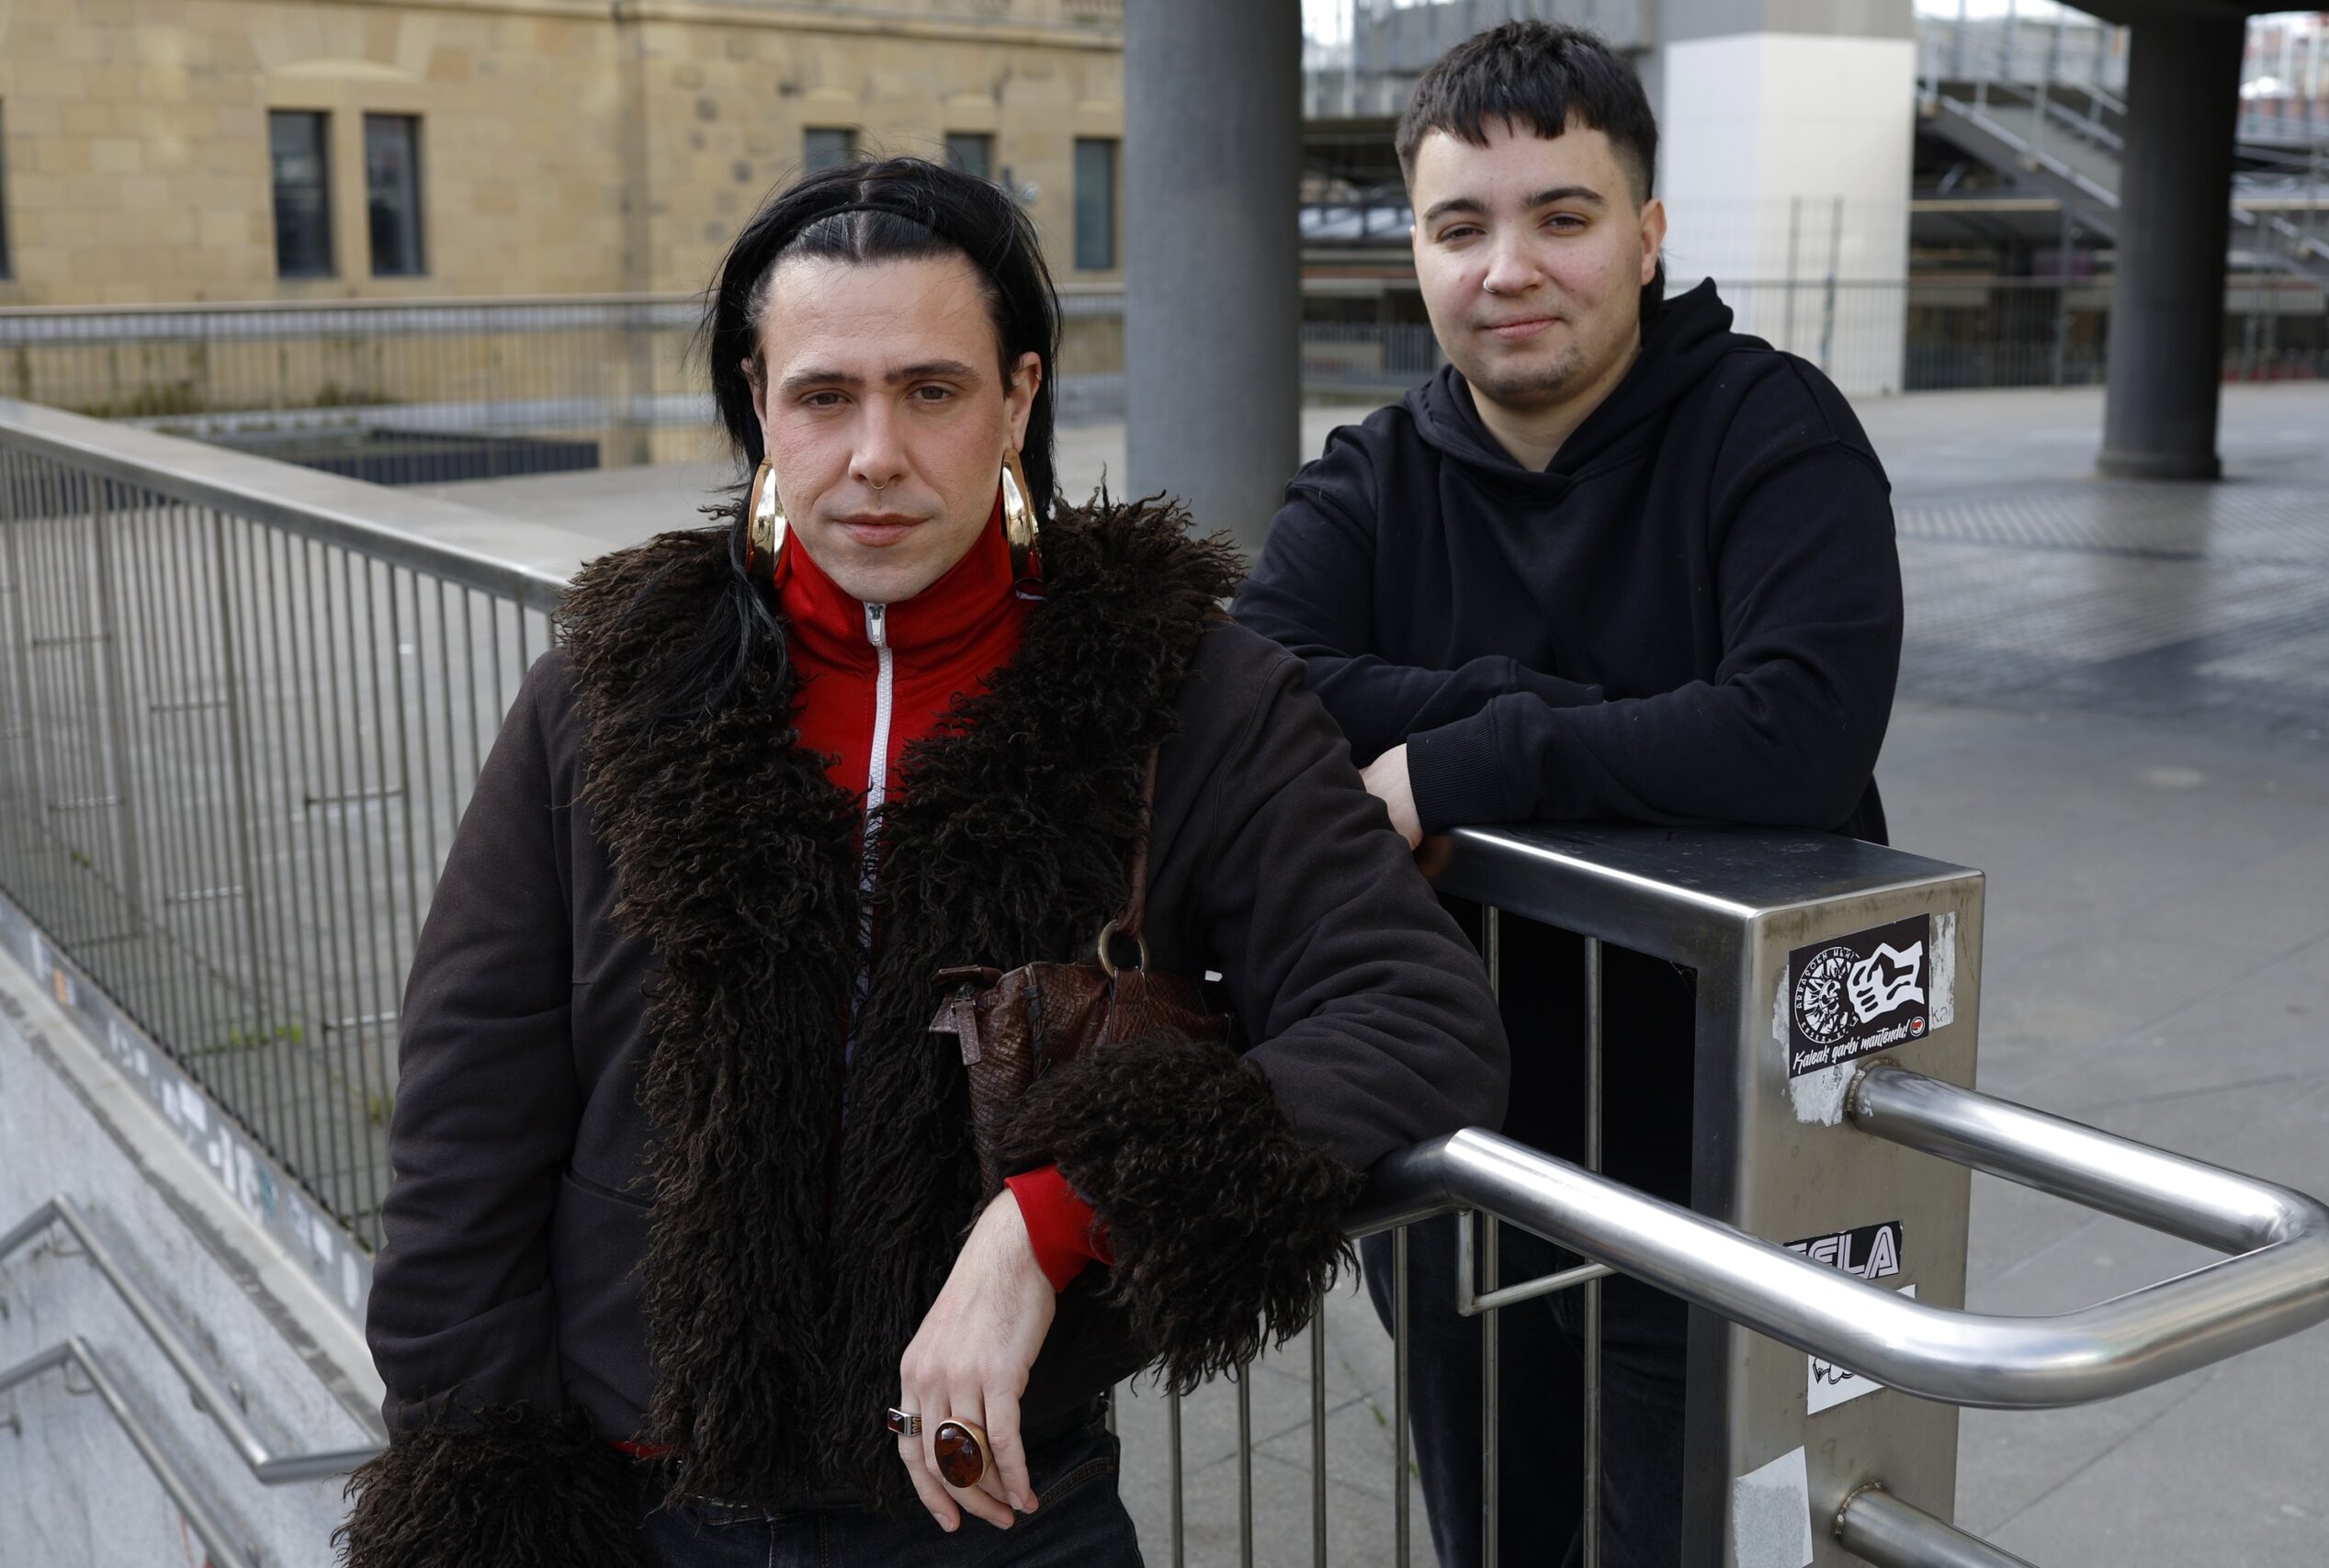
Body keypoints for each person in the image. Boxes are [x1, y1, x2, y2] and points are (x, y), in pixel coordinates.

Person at [336, 156, 1509, 1568]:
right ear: (758, 402)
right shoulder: (612, 693)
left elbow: (1415, 1018)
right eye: (824, 396)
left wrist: (1061, 1213)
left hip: (1000, 1503)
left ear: (1017, 399)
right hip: (641, 1507)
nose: (875, 454)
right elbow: (468, 1121)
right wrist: (482, 1490)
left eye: (931, 391)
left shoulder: (1181, 693)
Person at [1232, 22, 1904, 1568]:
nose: (1508, 268)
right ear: (1416, 252)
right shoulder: (1373, 477)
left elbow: (1793, 738)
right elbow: (1257, 686)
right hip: (1457, 1144)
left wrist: (1462, 760)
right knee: (1499, 1534)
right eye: (1459, 226)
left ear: (1648, 234)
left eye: (1563, 215)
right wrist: (1581, 710)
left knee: (1710, 1533)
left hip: (1724, 1159)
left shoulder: (1773, 432)